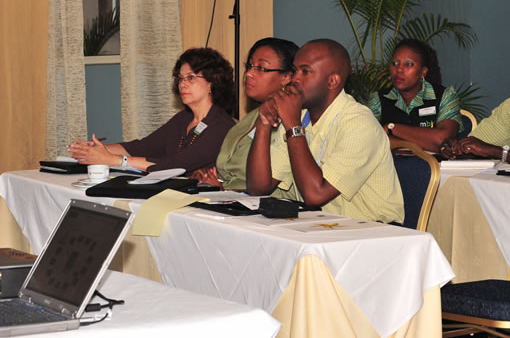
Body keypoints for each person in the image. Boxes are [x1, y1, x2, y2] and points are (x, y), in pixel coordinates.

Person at [246, 39, 404, 223]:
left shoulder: (359, 124)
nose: (295, 79)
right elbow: (258, 188)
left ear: (332, 81)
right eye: (295, 70)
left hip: (372, 233)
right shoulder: (300, 115)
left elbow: (315, 195)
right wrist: (264, 123)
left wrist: (293, 126)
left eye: (305, 72)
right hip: (320, 227)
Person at [68, 48, 235, 173]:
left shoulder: (221, 126)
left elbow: (175, 166)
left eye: (191, 78)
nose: (182, 84)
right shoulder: (183, 119)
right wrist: (95, 151)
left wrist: (116, 161)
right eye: (180, 79)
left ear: (213, 81)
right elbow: (141, 147)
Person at [192, 38, 298, 189]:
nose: (248, 73)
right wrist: (207, 176)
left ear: (286, 77)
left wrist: (221, 190)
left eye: (261, 68)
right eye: (249, 66)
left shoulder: (292, 123)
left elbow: (265, 189)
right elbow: (229, 173)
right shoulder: (252, 116)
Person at [366, 39, 461, 152]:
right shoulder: (378, 99)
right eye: (395, 63)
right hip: (390, 167)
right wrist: (422, 143)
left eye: (408, 64)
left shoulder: (445, 96)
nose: (399, 69)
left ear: (423, 72)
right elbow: (369, 139)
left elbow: (444, 140)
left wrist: (392, 128)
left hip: (432, 167)